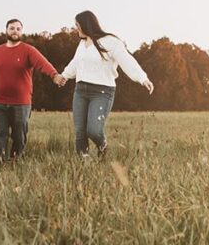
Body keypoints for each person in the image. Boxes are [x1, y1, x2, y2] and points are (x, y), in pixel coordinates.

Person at [54, 11, 153, 158]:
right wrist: (64, 76)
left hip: (102, 92)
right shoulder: (82, 44)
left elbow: (127, 60)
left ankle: (103, 146)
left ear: (86, 24)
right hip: (80, 91)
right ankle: (84, 162)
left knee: (93, 130)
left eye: (77, 25)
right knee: (80, 131)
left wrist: (142, 78)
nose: (76, 29)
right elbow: (75, 63)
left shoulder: (111, 41)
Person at [0, 18, 62, 161]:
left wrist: (54, 75)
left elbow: (42, 63)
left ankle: (16, 163)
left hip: (21, 104)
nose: (15, 31)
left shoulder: (28, 50)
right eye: (12, 28)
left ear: (21, 32)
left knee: (19, 137)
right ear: (6, 30)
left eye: (18, 29)